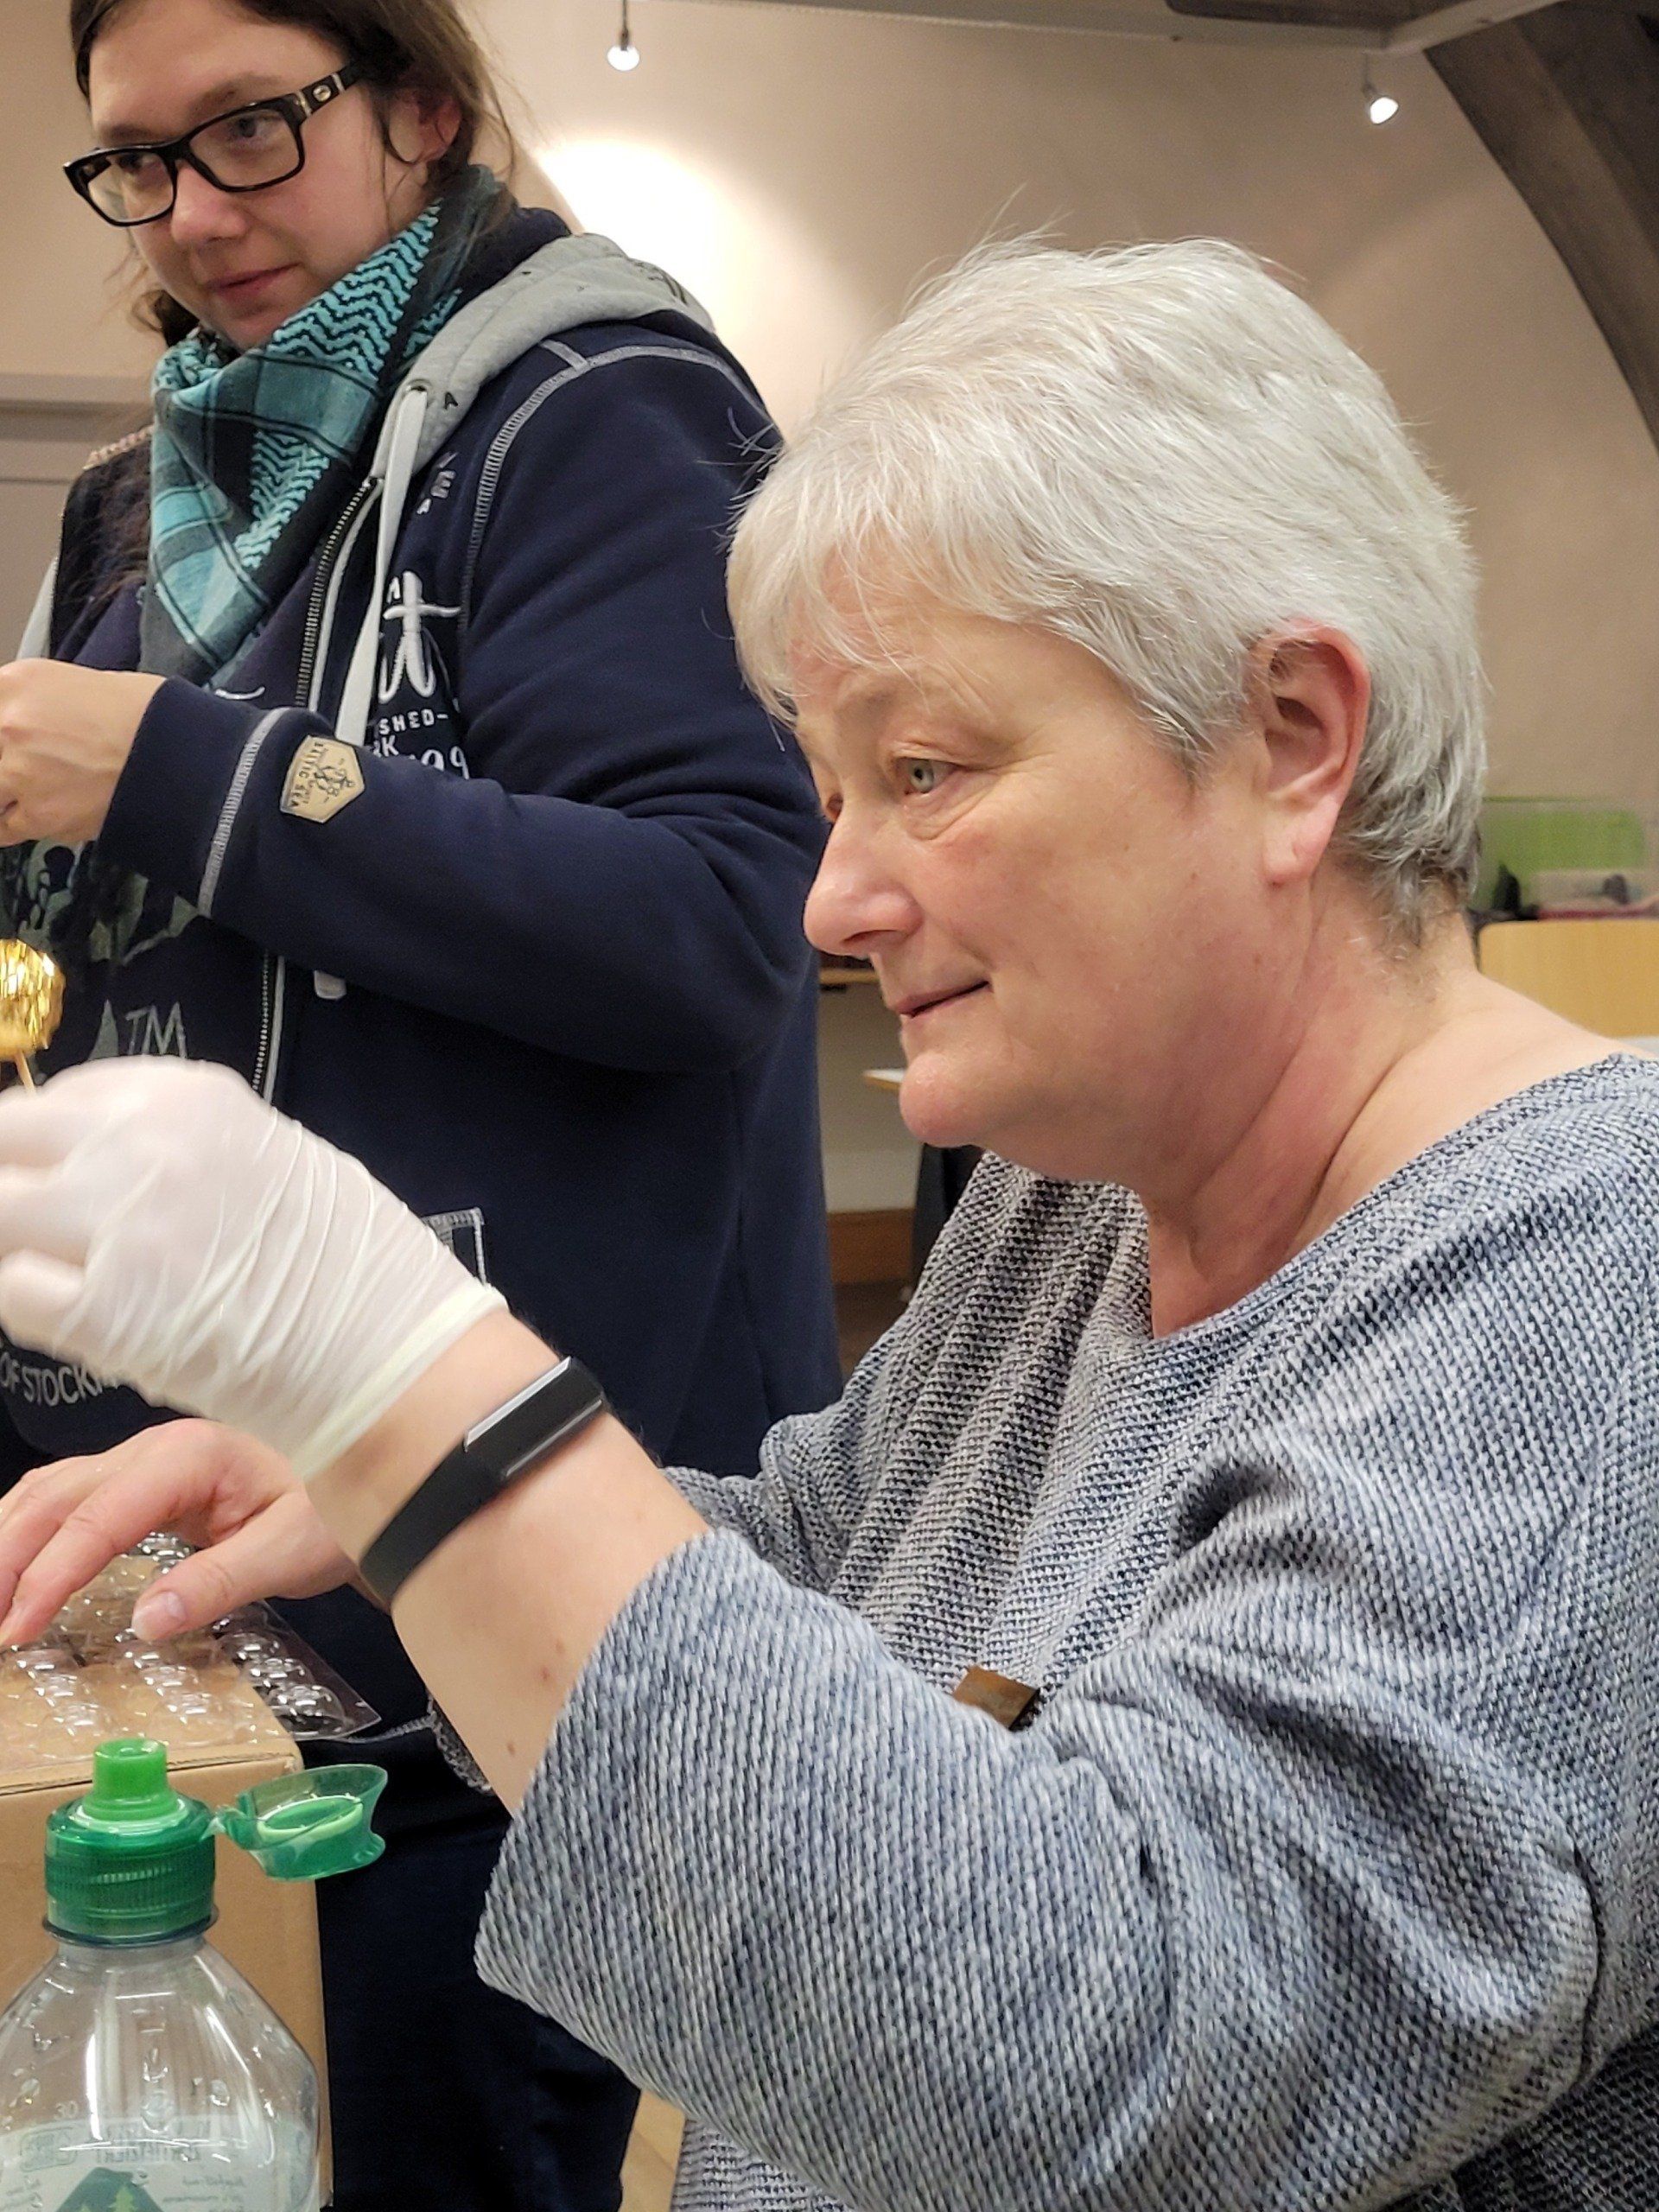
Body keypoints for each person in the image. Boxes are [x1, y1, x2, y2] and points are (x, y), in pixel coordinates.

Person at [0, 238, 1655, 2212]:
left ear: (1294, 734)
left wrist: (410, 1387)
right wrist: (382, 1504)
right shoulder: (1081, 1192)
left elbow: (1128, 2062)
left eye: (924, 773)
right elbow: (838, 1570)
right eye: (830, 790)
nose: (829, 901)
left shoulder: (1588, 1278)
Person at [0, 0, 840, 2204]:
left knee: (435, 2133)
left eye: (250, 130)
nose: (191, 212)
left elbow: (716, 925)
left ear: (421, 105)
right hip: (198, 1544)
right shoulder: (145, 494)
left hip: (497, 1571)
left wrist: (172, 765)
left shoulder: (594, 409)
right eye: (135, 161)